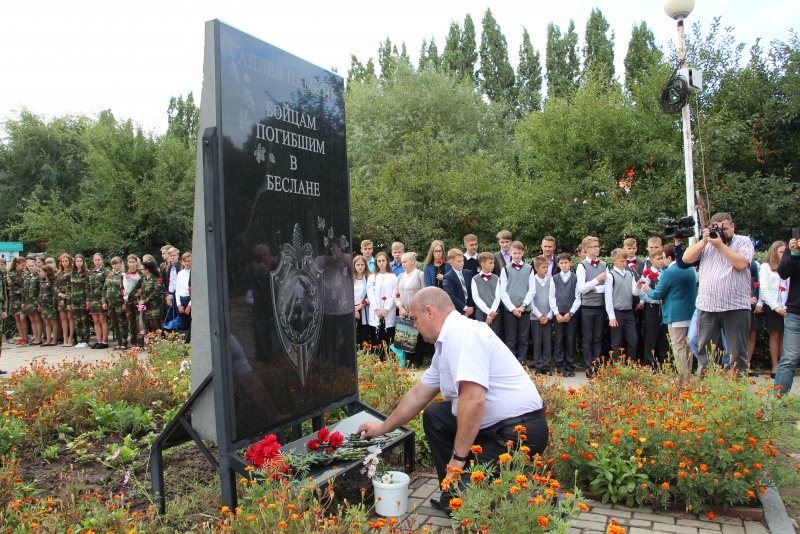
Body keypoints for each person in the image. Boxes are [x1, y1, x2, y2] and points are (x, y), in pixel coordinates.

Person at [356, 287, 548, 513]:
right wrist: (382, 428)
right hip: (493, 427)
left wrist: (458, 459)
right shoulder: (446, 342)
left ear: (430, 312)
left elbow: (474, 400)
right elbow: (418, 395)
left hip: (517, 432)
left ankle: (547, 503)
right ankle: (454, 492)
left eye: (415, 318)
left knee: (477, 507)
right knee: (436, 415)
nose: (414, 325)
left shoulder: (461, 334)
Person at [679, 213, 754, 375]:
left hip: (735, 306)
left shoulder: (743, 241)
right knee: (705, 353)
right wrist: (704, 241)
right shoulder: (707, 243)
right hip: (707, 306)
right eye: (717, 229)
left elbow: (742, 264)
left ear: (733, 227)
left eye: (724, 228)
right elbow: (686, 259)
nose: (721, 232)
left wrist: (720, 245)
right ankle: (706, 385)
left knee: (737, 353)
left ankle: (736, 386)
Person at [639, 244, 698, 374]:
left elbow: (657, 294)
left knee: (678, 347)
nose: (663, 260)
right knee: (688, 347)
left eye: (664, 257)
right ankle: (688, 374)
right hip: (691, 313)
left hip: (675, 314)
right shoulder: (689, 269)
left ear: (670, 258)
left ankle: (683, 377)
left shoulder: (668, 272)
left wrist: (647, 289)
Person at [499, 241, 535, 365]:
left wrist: (523, 305)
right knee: (511, 338)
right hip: (510, 310)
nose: (517, 255)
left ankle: (522, 362)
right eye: (515, 253)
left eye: (519, 253)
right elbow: (503, 291)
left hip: (525, 309)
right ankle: (512, 363)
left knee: (523, 338)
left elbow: (532, 289)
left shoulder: (529, 268)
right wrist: (513, 308)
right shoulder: (506, 269)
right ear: (510, 253)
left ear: (523, 253)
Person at [576, 236, 607, 376]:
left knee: (598, 338)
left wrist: (594, 288)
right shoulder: (582, 266)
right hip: (587, 306)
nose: (598, 248)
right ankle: (589, 367)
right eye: (595, 246)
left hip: (600, 305)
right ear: (586, 249)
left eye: (598, 246)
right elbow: (581, 288)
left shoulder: (604, 265)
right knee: (587, 338)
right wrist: (597, 280)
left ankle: (597, 365)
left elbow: (607, 287)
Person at [774, 238, 800, 397]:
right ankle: (778, 405)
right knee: (789, 359)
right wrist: (795, 254)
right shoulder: (794, 246)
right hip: (796, 313)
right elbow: (783, 273)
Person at [605, 248, 642, 361]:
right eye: (622, 261)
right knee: (617, 341)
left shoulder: (630, 274)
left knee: (633, 339)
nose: (624, 263)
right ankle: (617, 364)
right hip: (617, 311)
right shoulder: (610, 275)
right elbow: (608, 297)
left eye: (625, 261)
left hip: (629, 311)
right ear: (614, 261)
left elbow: (634, 292)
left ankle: (630, 363)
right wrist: (611, 317)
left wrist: (638, 286)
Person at [550, 252, 580, 376]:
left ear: (570, 263)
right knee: (559, 338)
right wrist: (556, 313)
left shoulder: (575, 278)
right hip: (559, 313)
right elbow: (552, 297)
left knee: (571, 338)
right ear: (558, 264)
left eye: (566, 263)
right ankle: (560, 365)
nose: (564, 265)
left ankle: (569, 365)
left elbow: (578, 297)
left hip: (571, 313)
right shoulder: (554, 278)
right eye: (561, 263)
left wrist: (571, 312)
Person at [760, 241, 787, 378]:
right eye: (780, 252)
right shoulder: (766, 267)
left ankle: (784, 365)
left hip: (787, 305)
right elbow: (764, 289)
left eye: (784, 252)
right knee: (775, 334)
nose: (783, 254)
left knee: (785, 335)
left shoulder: (787, 266)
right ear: (774, 252)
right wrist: (776, 307)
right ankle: (775, 366)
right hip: (773, 305)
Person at [395, 252, 426, 368]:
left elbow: (424, 294)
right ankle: (407, 360)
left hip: (417, 313)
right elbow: (396, 294)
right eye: (402, 262)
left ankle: (417, 361)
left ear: (412, 261)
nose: (403, 264)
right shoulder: (400, 276)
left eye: (405, 262)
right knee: (406, 337)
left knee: (418, 337)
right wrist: (401, 307)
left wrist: (416, 310)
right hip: (404, 313)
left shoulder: (420, 275)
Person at [639, 250, 670, 366]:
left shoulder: (665, 273)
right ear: (651, 260)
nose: (661, 261)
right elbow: (642, 294)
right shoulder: (646, 275)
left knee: (664, 338)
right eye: (658, 259)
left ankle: (664, 364)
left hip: (665, 308)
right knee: (651, 338)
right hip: (653, 309)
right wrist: (656, 299)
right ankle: (649, 364)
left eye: (662, 258)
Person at [367, 252, 397, 349]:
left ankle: (388, 356)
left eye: (383, 260)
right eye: (379, 261)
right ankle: (377, 357)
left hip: (389, 311)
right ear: (376, 263)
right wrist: (377, 309)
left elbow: (394, 294)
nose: (381, 263)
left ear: (387, 262)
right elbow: (370, 294)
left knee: (389, 338)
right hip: (376, 312)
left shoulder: (393, 277)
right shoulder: (372, 277)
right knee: (376, 340)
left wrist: (386, 309)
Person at [530, 256, 553, 374]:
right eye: (543, 267)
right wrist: (539, 315)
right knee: (537, 342)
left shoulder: (550, 281)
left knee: (547, 342)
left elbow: (553, 299)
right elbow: (531, 301)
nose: (546, 269)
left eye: (547, 267)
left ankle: (546, 366)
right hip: (535, 317)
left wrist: (549, 315)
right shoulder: (532, 281)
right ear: (536, 268)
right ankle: (538, 366)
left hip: (547, 316)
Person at [471, 252, 502, 337]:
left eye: (493, 263)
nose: (493, 265)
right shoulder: (475, 279)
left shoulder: (496, 278)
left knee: (494, 336)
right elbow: (476, 297)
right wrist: (488, 312)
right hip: (480, 313)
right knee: (481, 337)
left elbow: (497, 297)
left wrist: (490, 315)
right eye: (490, 263)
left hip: (494, 313)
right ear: (482, 264)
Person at [103, 257, 128, 350]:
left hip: (119, 302)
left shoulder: (124, 274)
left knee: (122, 323)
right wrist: (104, 301)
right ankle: (118, 341)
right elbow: (104, 289)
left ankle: (124, 342)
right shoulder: (109, 275)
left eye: (116, 264)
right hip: (110, 303)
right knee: (114, 323)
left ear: (121, 263)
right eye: (113, 264)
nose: (114, 266)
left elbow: (126, 290)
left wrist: (124, 302)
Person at [442, 249, 475, 318]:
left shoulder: (468, 273)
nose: (462, 263)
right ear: (451, 262)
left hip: (471, 310)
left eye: (462, 260)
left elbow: (473, 291)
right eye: (459, 261)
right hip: (458, 311)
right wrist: (465, 308)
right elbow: (451, 296)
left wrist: (470, 308)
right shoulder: (448, 277)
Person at [88, 253, 110, 349]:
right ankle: (98, 340)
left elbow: (107, 287)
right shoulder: (91, 272)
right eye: (95, 260)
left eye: (98, 260)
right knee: (96, 321)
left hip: (101, 299)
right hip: (93, 300)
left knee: (102, 320)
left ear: (102, 260)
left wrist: (104, 300)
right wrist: (88, 300)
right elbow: (88, 287)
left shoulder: (106, 272)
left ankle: (104, 341)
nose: (97, 262)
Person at [70, 254, 91, 348]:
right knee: (77, 321)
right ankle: (79, 340)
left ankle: (85, 340)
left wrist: (87, 300)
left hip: (83, 299)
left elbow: (88, 287)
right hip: (74, 300)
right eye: (77, 261)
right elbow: (69, 288)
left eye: (80, 261)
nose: (79, 263)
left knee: (84, 320)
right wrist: (69, 302)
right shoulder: (72, 273)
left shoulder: (86, 273)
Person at [123, 254, 143, 349]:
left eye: (133, 262)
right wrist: (123, 292)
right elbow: (121, 287)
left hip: (138, 300)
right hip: (128, 301)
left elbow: (144, 285)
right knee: (131, 322)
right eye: (129, 262)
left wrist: (140, 291)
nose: (131, 264)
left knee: (139, 322)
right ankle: (134, 343)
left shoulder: (141, 273)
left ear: (136, 262)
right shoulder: (125, 274)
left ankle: (140, 343)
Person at [139, 260, 164, 334]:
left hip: (155, 305)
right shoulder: (144, 279)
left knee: (156, 325)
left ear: (147, 270)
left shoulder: (156, 279)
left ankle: (159, 339)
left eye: (142, 269)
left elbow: (157, 292)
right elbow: (143, 291)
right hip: (147, 306)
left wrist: (145, 301)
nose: (141, 271)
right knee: (151, 325)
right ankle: (152, 339)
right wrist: (141, 301)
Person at [8, 257, 28, 346]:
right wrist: (23, 290)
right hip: (15, 298)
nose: (24, 267)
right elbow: (12, 286)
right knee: (17, 319)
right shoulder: (10, 274)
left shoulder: (26, 273)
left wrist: (25, 291)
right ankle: (22, 337)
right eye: (22, 265)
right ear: (17, 264)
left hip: (24, 299)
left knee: (22, 318)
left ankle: (26, 337)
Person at [56, 254, 74, 347]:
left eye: (66, 261)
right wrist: (59, 294)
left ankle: (71, 337)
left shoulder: (72, 273)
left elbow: (71, 286)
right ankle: (65, 337)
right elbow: (55, 286)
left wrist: (67, 297)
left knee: (70, 318)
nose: (64, 263)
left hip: (69, 298)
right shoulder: (58, 274)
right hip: (60, 298)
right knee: (63, 318)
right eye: (63, 261)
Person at [37, 266, 58, 346]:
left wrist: (54, 305)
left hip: (50, 304)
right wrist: (39, 304)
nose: (40, 273)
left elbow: (54, 294)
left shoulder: (53, 282)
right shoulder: (42, 282)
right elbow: (40, 294)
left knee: (53, 322)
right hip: (43, 305)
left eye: (41, 272)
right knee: (47, 322)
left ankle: (54, 339)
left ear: (46, 272)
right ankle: (48, 339)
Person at [353, 255, 371, 348]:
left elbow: (370, 296)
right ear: (354, 266)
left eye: (362, 265)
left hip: (363, 308)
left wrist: (360, 306)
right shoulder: (349, 279)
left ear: (365, 266)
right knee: (351, 334)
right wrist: (354, 309)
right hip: (351, 309)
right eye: (358, 265)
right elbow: (346, 295)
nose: (360, 267)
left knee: (363, 334)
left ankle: (363, 353)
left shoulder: (369, 278)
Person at [24, 257, 43, 345]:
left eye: (32, 266)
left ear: (36, 266)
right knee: (32, 320)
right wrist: (24, 302)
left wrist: (39, 303)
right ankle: (35, 337)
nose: (31, 268)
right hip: (28, 301)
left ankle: (39, 338)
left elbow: (40, 290)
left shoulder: (38, 276)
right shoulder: (27, 276)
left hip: (36, 300)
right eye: (29, 266)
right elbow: (24, 290)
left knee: (37, 320)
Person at [175, 252, 192, 343]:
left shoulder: (193, 273)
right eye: (185, 261)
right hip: (182, 299)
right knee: (183, 323)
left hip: (190, 299)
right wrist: (179, 304)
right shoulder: (180, 273)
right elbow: (177, 289)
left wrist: (190, 305)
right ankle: (184, 343)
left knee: (191, 323)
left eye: (189, 261)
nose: (187, 263)